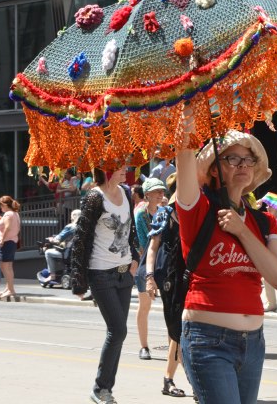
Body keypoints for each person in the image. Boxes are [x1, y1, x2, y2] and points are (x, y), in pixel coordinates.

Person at [176, 121, 277, 404]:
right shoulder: (199, 210)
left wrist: (241, 231)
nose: (242, 165)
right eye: (232, 158)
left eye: (248, 159)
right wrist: (188, 116)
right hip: (207, 340)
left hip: (253, 343)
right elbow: (184, 154)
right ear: (215, 169)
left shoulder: (264, 222)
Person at [70, 166, 139, 404]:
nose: (126, 169)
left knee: (118, 333)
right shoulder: (94, 197)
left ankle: (104, 388)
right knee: (118, 331)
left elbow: (131, 230)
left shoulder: (127, 192)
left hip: (124, 273)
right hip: (101, 273)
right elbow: (81, 238)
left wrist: (136, 257)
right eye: (120, 165)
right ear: (106, 168)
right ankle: (101, 389)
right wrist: (79, 281)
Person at [144, 176, 186, 398]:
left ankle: (193, 379)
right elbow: (153, 248)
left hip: (194, 275)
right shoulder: (165, 214)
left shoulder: (197, 210)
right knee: (178, 332)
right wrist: (149, 277)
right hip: (171, 277)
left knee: (191, 330)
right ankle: (168, 380)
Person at [134, 177, 166, 360]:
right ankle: (144, 346)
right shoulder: (142, 215)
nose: (161, 194)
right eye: (157, 191)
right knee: (144, 305)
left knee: (169, 306)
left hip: (164, 263)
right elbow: (143, 243)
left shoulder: (164, 211)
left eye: (162, 191)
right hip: (147, 263)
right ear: (147, 195)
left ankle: (174, 345)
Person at [42, 209, 81, 283]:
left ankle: (52, 275)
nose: (70, 218)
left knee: (48, 252)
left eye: (71, 216)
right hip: (82, 255)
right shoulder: (86, 228)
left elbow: (57, 239)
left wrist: (51, 239)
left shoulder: (71, 227)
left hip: (70, 255)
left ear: (74, 216)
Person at [0, 195, 21, 299]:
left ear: (5, 205)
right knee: (6, 266)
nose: (0, 207)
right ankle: (8, 287)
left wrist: (2, 239)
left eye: (1, 205)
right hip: (10, 241)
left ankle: (11, 289)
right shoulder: (15, 214)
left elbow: (7, 227)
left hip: (6, 242)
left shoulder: (8, 214)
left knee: (5, 267)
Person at [262, 205, 277, 312]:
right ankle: (270, 302)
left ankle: (271, 303)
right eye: (267, 205)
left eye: (271, 206)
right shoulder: (266, 218)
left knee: (268, 277)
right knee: (265, 277)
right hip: (267, 250)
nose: (268, 207)